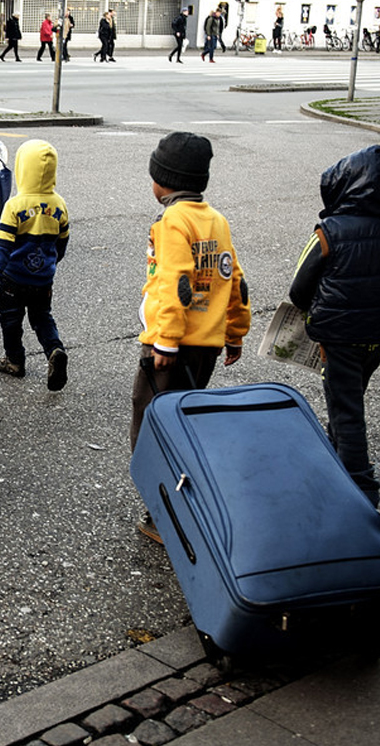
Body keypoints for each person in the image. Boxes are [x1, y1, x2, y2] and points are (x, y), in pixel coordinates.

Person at [130, 132, 250, 543]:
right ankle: (181, 503)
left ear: (161, 181)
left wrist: (164, 340)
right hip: (207, 345)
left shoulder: (170, 222)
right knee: (184, 420)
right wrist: (235, 331)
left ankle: (165, 514)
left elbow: (173, 281)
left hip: (172, 347)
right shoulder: (215, 219)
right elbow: (233, 277)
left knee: (151, 422)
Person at [289, 145, 380, 509]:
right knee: (348, 401)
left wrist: (312, 316)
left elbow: (299, 287)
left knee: (347, 410)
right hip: (377, 337)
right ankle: (334, 462)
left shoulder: (328, 231)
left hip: (339, 335)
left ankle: (361, 494)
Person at [0, 138, 70, 390]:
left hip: (14, 279)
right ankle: (54, 350)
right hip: (43, 279)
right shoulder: (59, 204)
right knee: (42, 317)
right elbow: (62, 243)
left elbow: (2, 246)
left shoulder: (15, 206)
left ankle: (14, 361)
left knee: (11, 321)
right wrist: (50, 263)